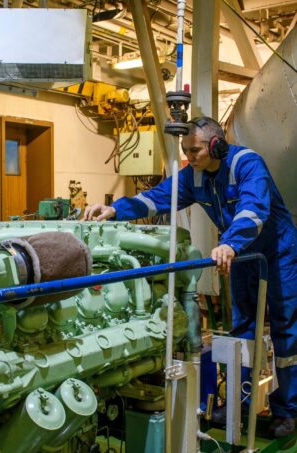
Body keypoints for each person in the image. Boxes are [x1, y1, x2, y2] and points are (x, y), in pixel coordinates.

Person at [84, 116, 297, 438]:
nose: (189, 156)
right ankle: (238, 403)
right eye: (185, 150)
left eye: (194, 150)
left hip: (277, 253)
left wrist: (229, 243)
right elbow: (158, 197)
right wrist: (116, 210)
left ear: (217, 145)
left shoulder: (247, 164)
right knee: (242, 329)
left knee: (286, 330)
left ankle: (287, 411)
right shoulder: (194, 176)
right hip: (239, 255)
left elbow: (253, 211)